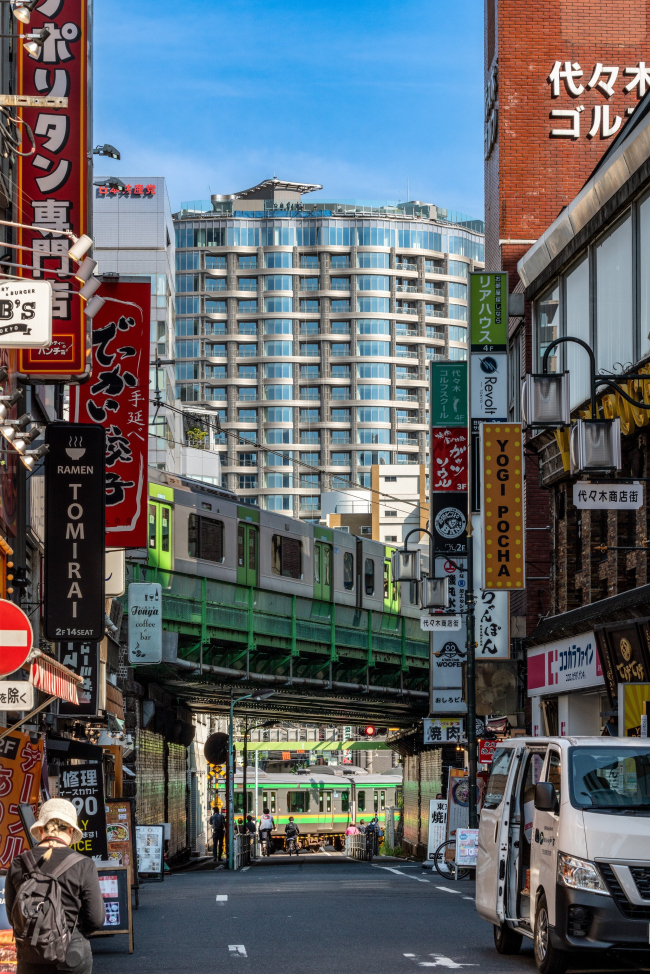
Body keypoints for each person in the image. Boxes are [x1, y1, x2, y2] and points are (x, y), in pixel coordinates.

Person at [5, 798, 105, 974]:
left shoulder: (18, 864)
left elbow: (13, 917)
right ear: (71, 830)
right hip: (71, 955)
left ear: (41, 829)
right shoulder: (83, 864)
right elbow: (95, 919)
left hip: (30, 956)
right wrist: (71, 933)